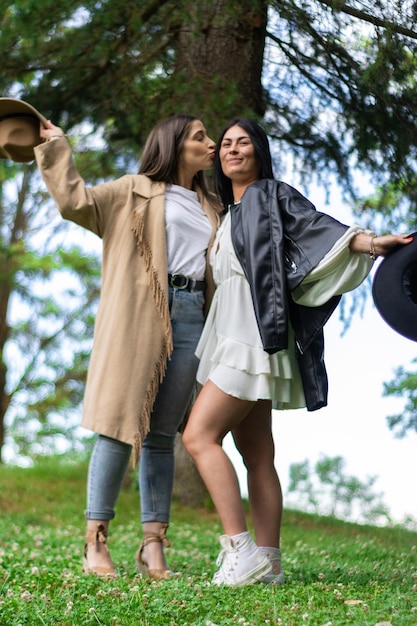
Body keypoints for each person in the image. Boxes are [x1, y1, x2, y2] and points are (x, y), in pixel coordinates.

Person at [182, 118, 413, 586]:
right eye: (225, 144)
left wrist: (371, 243)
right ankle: (269, 563)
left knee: (198, 436)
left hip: (251, 329)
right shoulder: (228, 213)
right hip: (232, 326)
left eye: (242, 142)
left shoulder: (271, 194)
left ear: (259, 151)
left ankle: (240, 551)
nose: (232, 149)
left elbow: (315, 228)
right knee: (257, 452)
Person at [35, 114, 220, 579]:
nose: (211, 143)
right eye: (201, 137)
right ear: (175, 144)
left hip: (194, 314)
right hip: (142, 311)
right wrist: (58, 147)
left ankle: (152, 548)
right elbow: (74, 201)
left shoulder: (212, 204)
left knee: (162, 435)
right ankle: (95, 541)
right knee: (119, 425)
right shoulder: (131, 190)